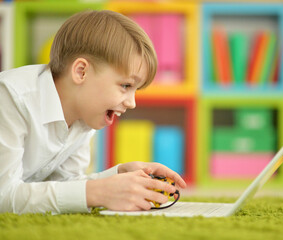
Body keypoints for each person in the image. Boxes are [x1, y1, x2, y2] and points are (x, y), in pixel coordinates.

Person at [0, 10, 186, 214]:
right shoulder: (10, 98)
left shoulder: (83, 115)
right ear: (81, 72)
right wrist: (95, 192)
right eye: (125, 85)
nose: (132, 103)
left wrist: (118, 175)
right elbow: (4, 195)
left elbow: (64, 186)